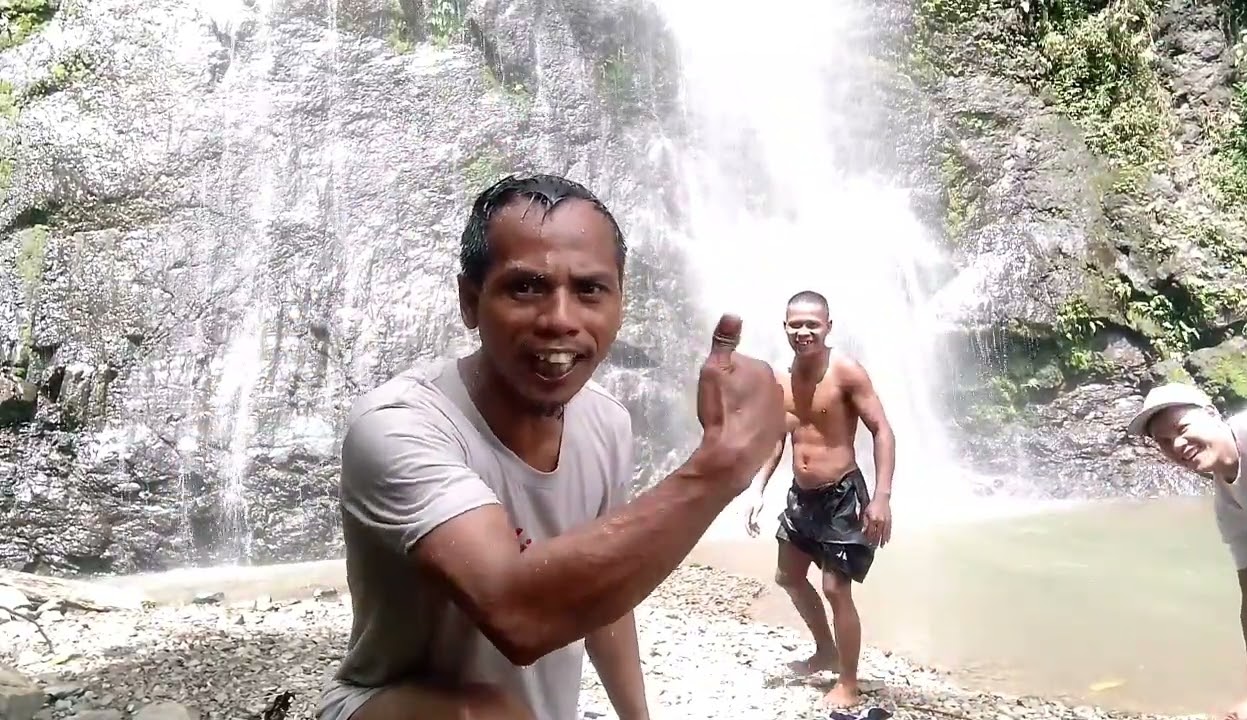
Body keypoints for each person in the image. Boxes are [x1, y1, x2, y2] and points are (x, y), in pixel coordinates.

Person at [315, 173, 785, 720]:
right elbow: (515, 612)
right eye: (526, 287)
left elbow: (603, 594)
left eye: (590, 289)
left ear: (619, 301)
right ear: (470, 301)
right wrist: (721, 467)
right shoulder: (398, 426)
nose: (560, 320)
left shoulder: (607, 423)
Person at [744, 289, 897, 709]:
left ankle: (848, 682)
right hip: (801, 497)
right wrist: (757, 489)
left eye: (813, 323)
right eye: (796, 324)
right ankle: (825, 649)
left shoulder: (846, 372)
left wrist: (881, 498)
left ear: (828, 326)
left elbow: (882, 430)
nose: (804, 331)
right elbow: (779, 439)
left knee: (835, 588)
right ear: (785, 328)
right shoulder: (779, 379)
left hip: (842, 496)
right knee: (788, 576)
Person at [1127, 382, 1247, 720]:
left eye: (1181, 428)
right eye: (1164, 442)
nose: (1177, 445)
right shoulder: (1232, 508)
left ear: (1212, 414)